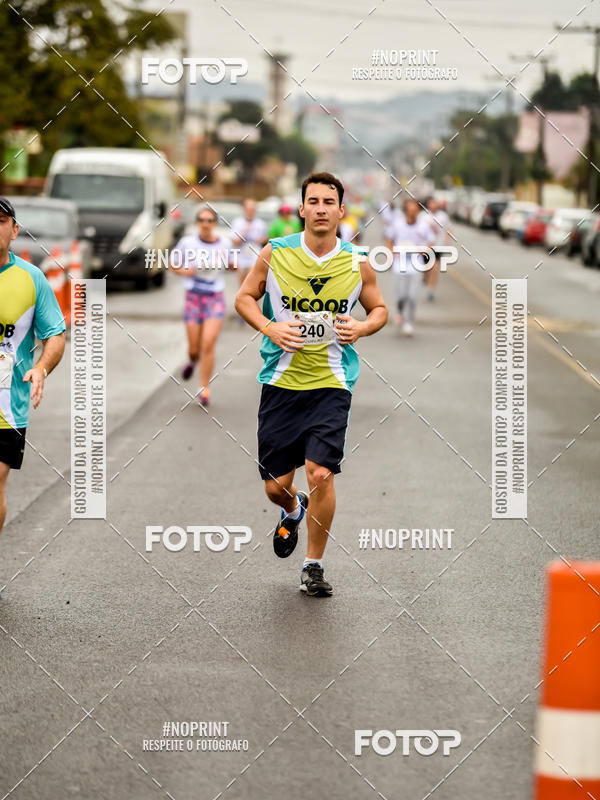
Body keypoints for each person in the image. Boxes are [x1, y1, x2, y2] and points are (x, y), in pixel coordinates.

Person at [235, 172, 387, 596]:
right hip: (281, 382)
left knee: (321, 473)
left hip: (332, 383)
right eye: (313, 201)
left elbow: (379, 310)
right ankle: (292, 506)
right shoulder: (275, 253)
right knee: (275, 486)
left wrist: (361, 327)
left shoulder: (358, 261)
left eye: (329, 201)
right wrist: (271, 328)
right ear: (302, 209)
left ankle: (313, 566)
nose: (321, 208)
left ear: (342, 210)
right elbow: (244, 298)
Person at [0, 197, 66, 535]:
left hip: (7, 405)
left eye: (0, 220)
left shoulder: (32, 278)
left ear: (14, 230)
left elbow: (55, 334)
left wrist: (40, 368)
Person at [170, 206, 232, 407]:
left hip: (215, 298)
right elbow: (172, 263)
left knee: (209, 343)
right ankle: (192, 360)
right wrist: (183, 271)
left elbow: (233, 263)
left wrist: (234, 265)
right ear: (197, 223)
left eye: (209, 220)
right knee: (195, 348)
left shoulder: (225, 244)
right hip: (193, 299)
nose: (205, 224)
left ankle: (204, 387)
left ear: (214, 223)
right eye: (202, 220)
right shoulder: (187, 243)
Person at [385, 197, 435, 336]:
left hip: (415, 265)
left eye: (414, 209)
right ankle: (400, 311)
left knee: (412, 296)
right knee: (401, 296)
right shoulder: (398, 224)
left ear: (418, 211)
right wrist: (390, 252)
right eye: (409, 209)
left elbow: (431, 242)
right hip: (399, 265)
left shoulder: (423, 226)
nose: (412, 212)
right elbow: (389, 239)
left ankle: (409, 322)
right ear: (406, 210)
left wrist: (424, 249)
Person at [230, 198, 268, 288]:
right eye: (249, 209)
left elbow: (264, 241)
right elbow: (234, 242)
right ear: (244, 209)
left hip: (254, 256)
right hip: (241, 256)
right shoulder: (237, 222)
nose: (251, 212)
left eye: (253, 209)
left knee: (254, 283)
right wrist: (245, 231)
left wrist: (262, 240)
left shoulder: (261, 224)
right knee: (243, 285)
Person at [424, 197, 451, 301]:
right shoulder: (423, 216)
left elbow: (448, 228)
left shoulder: (443, 216)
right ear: (428, 204)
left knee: (435, 268)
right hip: (425, 247)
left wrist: (447, 238)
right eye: (431, 203)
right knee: (427, 268)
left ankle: (431, 290)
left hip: (438, 246)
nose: (433, 205)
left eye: (435, 203)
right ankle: (426, 276)